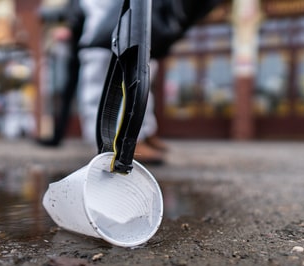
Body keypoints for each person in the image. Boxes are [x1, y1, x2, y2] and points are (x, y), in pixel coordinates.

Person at [41, 0, 223, 163]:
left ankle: (141, 134)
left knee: (139, 81)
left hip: (129, 27)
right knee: (99, 86)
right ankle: (105, 146)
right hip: (100, 37)